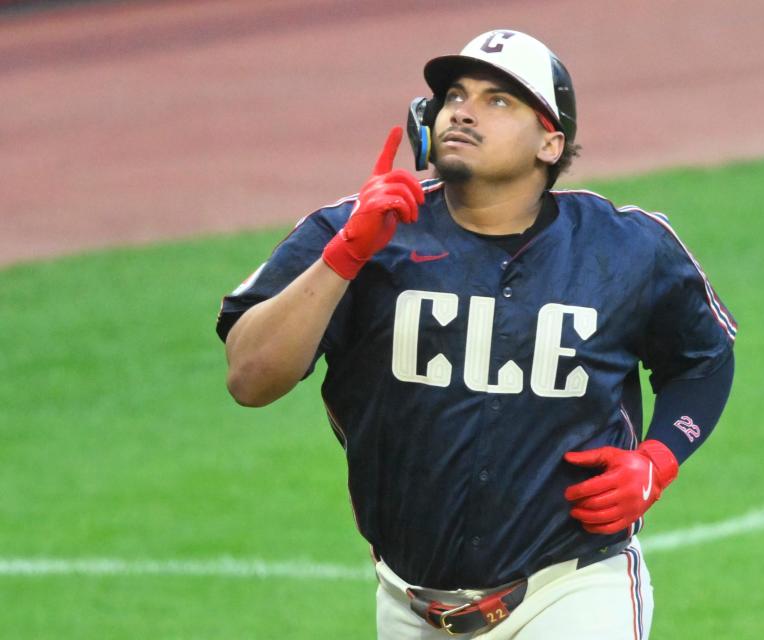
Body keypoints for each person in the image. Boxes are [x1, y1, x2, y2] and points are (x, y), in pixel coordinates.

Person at [217, 29, 736, 639]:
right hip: (410, 606)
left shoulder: (626, 248)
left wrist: (659, 457)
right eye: (454, 95)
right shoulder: (356, 231)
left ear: (551, 141)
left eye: (499, 100)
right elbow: (249, 379)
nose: (462, 109)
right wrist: (344, 258)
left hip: (571, 588)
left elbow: (703, 360)